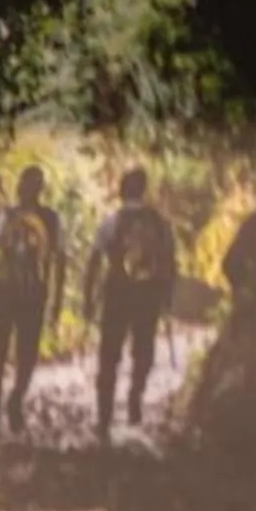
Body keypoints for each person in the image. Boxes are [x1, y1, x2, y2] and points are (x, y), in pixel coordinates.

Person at [87, 167, 178, 435]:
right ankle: (135, 396)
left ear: (121, 190)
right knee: (144, 351)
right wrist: (167, 296)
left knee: (109, 356)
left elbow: (94, 261)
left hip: (116, 295)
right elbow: (171, 262)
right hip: (147, 297)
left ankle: (104, 417)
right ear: (143, 190)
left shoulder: (111, 222)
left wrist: (89, 297)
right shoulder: (160, 223)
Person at [0, 167, 62, 435]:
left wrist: (56, 296)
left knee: (24, 355)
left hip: (29, 294)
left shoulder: (49, 219)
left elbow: (59, 259)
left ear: (38, 189)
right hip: (9, 292)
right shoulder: (6, 215)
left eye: (30, 185)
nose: (25, 189)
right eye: (25, 184)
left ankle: (14, 402)